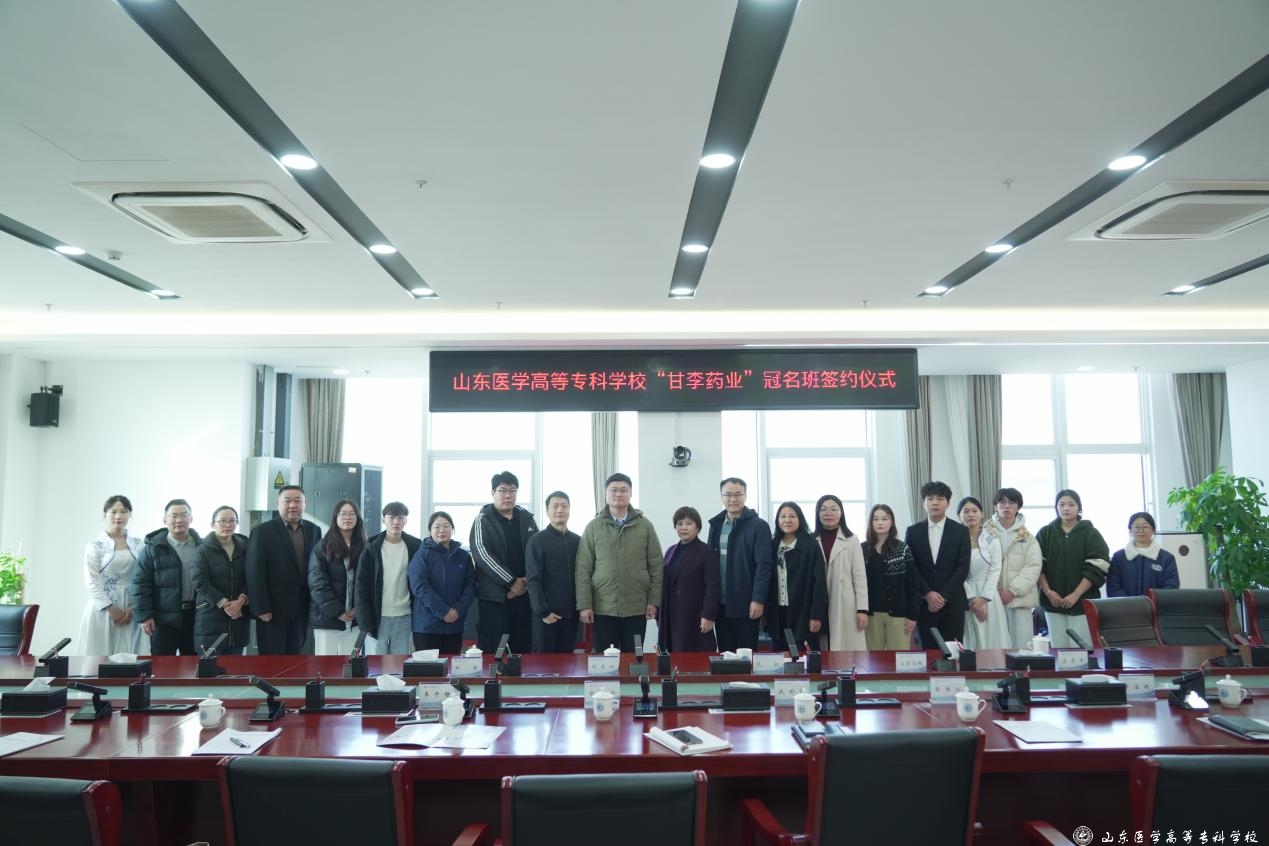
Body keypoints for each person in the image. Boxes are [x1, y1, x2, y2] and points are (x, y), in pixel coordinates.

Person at [576, 473, 663, 653]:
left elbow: (656, 566)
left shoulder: (645, 526)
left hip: (637, 607)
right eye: (613, 490)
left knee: (635, 657)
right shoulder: (593, 527)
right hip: (603, 607)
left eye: (623, 490)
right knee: (606, 660)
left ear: (630, 494)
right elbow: (583, 569)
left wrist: (653, 601)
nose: (618, 494)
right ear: (606, 494)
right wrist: (585, 605)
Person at [245, 486, 321, 655]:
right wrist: (260, 607)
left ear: (305, 504)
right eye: (287, 501)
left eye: (298, 500)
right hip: (272, 610)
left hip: (302, 608)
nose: (293, 505)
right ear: (278, 503)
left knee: (295, 656)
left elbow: (317, 568)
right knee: (272, 658)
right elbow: (254, 571)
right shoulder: (262, 531)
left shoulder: (314, 530)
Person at [469, 471, 539, 654]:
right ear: (493, 493)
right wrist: (512, 582)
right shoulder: (483, 519)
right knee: (495, 653)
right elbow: (482, 555)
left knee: (522, 652)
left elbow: (538, 552)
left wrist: (524, 582)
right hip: (495, 600)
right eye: (502, 491)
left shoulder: (527, 518)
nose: (508, 495)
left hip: (524, 597)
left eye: (512, 491)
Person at [1036, 489, 1111, 648]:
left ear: (1079, 508)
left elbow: (1097, 567)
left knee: (1081, 648)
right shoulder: (1045, 533)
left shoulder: (1091, 534)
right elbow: (1037, 566)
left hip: (1082, 603)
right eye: (1061, 504)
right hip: (1053, 603)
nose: (1066, 508)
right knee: (1058, 647)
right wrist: (1048, 593)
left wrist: (1075, 595)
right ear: (1056, 507)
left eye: (1071, 504)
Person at [706, 478, 773, 652]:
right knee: (725, 655)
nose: (732, 499)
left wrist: (758, 599)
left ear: (745, 496)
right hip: (720, 604)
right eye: (728, 495)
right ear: (721, 497)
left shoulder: (759, 526)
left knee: (746, 655)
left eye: (737, 494)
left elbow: (764, 565)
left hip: (746, 603)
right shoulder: (716, 525)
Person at [904, 481, 972, 647]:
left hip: (953, 603)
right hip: (924, 605)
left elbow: (963, 567)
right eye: (930, 498)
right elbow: (911, 567)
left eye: (940, 499)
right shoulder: (913, 531)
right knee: (927, 652)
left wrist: (943, 596)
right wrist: (928, 594)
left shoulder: (961, 531)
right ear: (923, 503)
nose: (935, 503)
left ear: (948, 503)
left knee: (953, 652)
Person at [76, 494, 144, 656]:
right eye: (113, 512)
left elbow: (145, 577)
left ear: (130, 515)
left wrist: (136, 607)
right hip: (103, 608)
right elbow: (92, 582)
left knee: (131, 659)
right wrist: (111, 608)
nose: (118, 516)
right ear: (104, 514)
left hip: (132, 608)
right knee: (98, 659)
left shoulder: (140, 544)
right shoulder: (95, 546)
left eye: (124, 511)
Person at [131, 498, 201, 655]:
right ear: (164, 520)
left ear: (191, 518)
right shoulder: (152, 549)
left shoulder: (201, 546)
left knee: (193, 664)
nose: (179, 520)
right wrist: (144, 616)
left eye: (184, 515)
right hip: (162, 619)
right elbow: (140, 583)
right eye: (173, 515)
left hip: (195, 617)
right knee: (162, 665)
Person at [356, 502, 423, 655]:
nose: (396, 522)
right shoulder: (371, 547)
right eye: (391, 517)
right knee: (375, 662)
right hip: (377, 616)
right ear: (383, 520)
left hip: (404, 615)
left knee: (399, 662)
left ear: (406, 521)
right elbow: (361, 586)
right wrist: (365, 621)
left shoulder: (415, 546)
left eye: (400, 518)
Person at [409, 511, 476, 655]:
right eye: (437, 527)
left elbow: (470, 586)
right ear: (429, 530)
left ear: (452, 529)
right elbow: (419, 586)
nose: (442, 530)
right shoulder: (422, 554)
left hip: (455, 625)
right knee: (429, 668)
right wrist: (443, 611)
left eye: (446, 526)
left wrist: (457, 610)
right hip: (427, 626)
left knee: (452, 666)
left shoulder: (463, 556)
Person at [525, 491, 581, 654]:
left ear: (569, 510)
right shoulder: (537, 541)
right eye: (555, 506)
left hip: (571, 616)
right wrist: (544, 612)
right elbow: (533, 579)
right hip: (546, 616)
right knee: (543, 664)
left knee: (567, 663)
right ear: (547, 511)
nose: (559, 510)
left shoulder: (578, 541)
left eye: (564, 506)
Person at [658, 506, 721, 653]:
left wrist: (708, 615)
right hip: (673, 614)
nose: (684, 528)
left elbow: (713, 586)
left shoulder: (706, 551)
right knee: (674, 654)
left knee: (696, 656)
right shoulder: (671, 551)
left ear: (697, 527)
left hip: (695, 615)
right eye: (679, 524)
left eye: (689, 523)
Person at [308, 500, 367, 655]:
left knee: (352, 664)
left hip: (355, 620)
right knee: (325, 664)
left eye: (352, 514)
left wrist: (360, 608)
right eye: (343, 514)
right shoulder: (322, 547)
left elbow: (369, 583)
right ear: (336, 517)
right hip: (327, 619)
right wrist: (336, 611)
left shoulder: (366, 547)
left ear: (358, 518)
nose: (347, 517)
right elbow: (317, 584)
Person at [987, 487, 1043, 650]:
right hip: (991, 599)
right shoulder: (984, 533)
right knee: (994, 647)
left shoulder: (1028, 537)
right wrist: (992, 590)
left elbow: (1033, 566)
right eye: (1002, 502)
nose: (1006, 506)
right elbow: (978, 564)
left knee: (1022, 648)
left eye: (1012, 502)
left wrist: (1012, 591)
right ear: (995, 506)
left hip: (1019, 599)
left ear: (1018, 507)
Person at [768, 502, 827, 653]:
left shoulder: (810, 545)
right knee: (779, 658)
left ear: (800, 519)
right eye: (783, 516)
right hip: (778, 611)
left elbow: (819, 583)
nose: (787, 520)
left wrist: (816, 615)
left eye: (792, 516)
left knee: (801, 656)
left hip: (802, 612)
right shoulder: (773, 545)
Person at [191, 505, 250, 655]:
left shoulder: (245, 547)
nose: (228, 525)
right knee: (210, 666)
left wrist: (241, 601)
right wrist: (225, 604)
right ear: (213, 524)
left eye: (232, 521)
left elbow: (252, 577)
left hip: (239, 618)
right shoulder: (203, 550)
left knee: (235, 666)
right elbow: (199, 581)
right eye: (222, 521)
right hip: (211, 616)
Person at [813, 494, 869, 651]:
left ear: (841, 513)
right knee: (821, 647)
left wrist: (862, 609)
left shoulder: (851, 540)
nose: (828, 513)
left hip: (845, 602)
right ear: (818, 514)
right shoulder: (811, 540)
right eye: (823, 509)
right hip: (818, 602)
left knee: (845, 650)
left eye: (833, 509)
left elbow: (860, 578)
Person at [861, 503, 918, 650]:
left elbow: (912, 585)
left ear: (891, 522)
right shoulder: (862, 549)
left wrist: (913, 615)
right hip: (871, 615)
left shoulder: (902, 549)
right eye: (875, 519)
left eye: (884, 519)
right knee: (873, 659)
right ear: (870, 523)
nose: (880, 523)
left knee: (898, 658)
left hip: (899, 615)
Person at [958, 496, 1010, 650]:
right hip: (964, 595)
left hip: (989, 596)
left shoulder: (992, 539)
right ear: (959, 516)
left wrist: (983, 599)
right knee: (970, 638)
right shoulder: (954, 540)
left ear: (981, 514)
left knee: (994, 637)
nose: (971, 515)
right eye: (966, 511)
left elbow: (995, 569)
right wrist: (971, 599)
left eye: (975, 511)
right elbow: (955, 571)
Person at [1107, 511, 1180, 598]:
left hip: (1156, 605)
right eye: (1136, 526)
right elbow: (1113, 587)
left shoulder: (1166, 558)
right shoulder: (1118, 557)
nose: (1141, 530)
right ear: (1130, 530)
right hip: (1125, 605)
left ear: (1153, 530)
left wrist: (1152, 602)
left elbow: (1171, 586)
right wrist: (1129, 603)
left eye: (1145, 527)